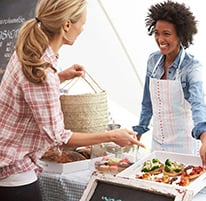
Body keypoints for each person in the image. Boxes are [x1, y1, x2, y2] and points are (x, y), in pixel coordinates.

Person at [0, 0, 144, 201]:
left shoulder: (28, 53)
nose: (82, 29)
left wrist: (61, 76)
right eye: (82, 24)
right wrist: (111, 136)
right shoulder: (42, 73)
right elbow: (59, 138)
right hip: (14, 178)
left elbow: (26, 91)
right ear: (67, 25)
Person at [133, 0, 206, 169]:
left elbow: (199, 103)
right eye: (156, 33)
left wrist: (205, 140)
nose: (160, 39)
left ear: (180, 36)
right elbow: (147, 102)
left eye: (166, 34)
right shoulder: (152, 60)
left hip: (184, 147)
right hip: (157, 145)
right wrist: (139, 130)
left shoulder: (192, 66)